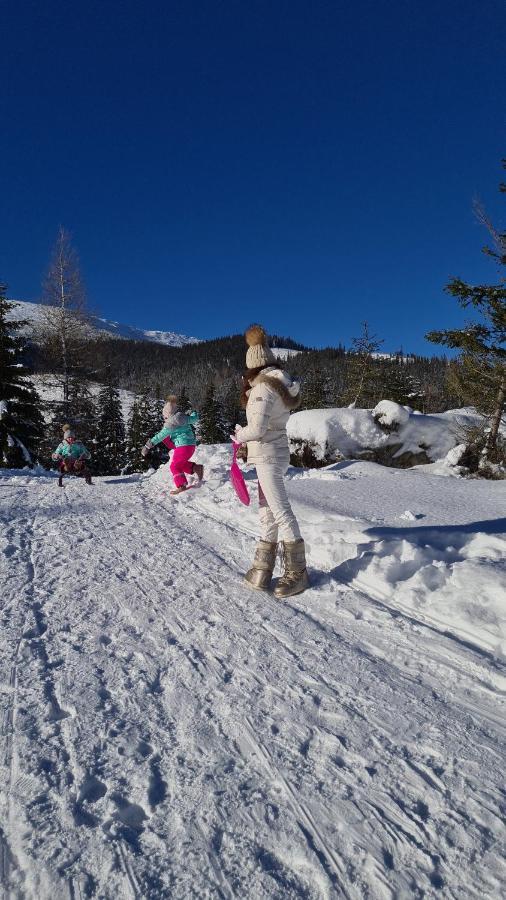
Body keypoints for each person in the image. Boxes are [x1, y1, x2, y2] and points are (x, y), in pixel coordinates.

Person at [233, 325, 309, 598]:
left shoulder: (263, 388)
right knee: (267, 512)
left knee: (279, 510)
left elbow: (257, 428)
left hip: (267, 455)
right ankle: (262, 569)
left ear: (252, 366)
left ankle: (298, 573)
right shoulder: (277, 384)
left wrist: (240, 435)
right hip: (273, 453)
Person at [141, 395, 203, 494]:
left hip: (182, 446)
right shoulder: (184, 417)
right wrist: (194, 413)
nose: (164, 419)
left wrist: (148, 446)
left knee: (174, 466)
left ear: (167, 416)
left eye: (164, 417)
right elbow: (194, 418)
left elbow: (160, 436)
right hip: (191, 445)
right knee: (180, 463)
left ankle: (181, 485)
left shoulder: (170, 424)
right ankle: (196, 468)